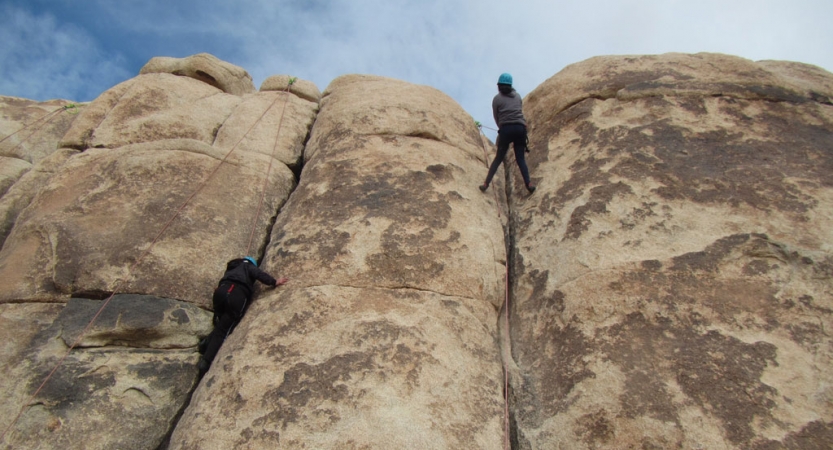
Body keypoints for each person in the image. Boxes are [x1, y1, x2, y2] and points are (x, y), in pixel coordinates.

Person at [197, 256, 288, 376]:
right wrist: (274, 282)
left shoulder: (231, 268)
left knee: (221, 321)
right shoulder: (248, 266)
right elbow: (258, 273)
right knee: (225, 329)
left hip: (221, 291)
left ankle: (207, 343)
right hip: (237, 294)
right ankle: (206, 361)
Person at [480, 72, 536, 194]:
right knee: (520, 158)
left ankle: (486, 183)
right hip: (520, 128)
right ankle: (529, 183)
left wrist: (501, 127)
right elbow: (519, 111)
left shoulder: (497, 99)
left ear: (499, 85)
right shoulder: (517, 96)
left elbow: (496, 116)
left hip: (506, 129)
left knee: (498, 158)